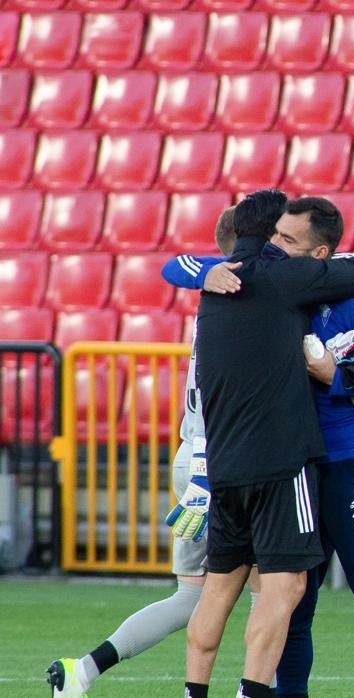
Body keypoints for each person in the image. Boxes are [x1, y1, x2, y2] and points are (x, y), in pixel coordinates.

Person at [164, 196, 354, 698]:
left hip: (351, 458)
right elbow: (177, 265)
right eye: (274, 236)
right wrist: (202, 274)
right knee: (293, 603)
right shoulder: (270, 285)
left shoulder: (353, 302)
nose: (275, 247)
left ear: (320, 253)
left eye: (288, 241)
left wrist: (340, 376)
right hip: (292, 467)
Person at [46, 207, 247, 698]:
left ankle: (83, 672)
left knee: (188, 597)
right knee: (276, 594)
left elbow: (175, 264)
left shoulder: (210, 299)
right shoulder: (249, 302)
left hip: (192, 455)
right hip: (226, 460)